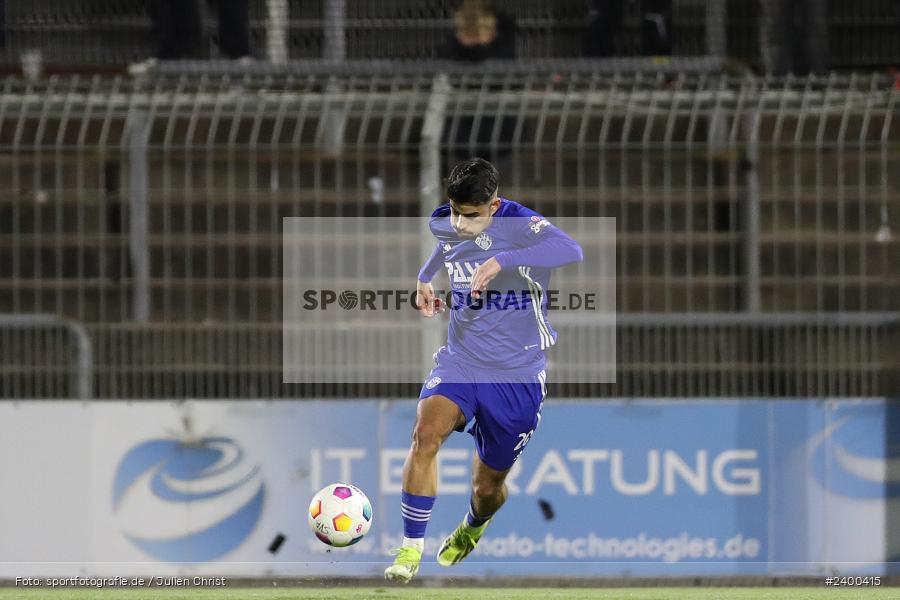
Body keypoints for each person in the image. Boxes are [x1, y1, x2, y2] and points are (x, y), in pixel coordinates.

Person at [384, 158, 584, 583]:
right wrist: (424, 279)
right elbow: (444, 244)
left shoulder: (521, 224)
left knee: (486, 487)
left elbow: (572, 249)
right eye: (454, 210)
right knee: (425, 434)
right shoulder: (448, 221)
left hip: (517, 376)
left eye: (470, 215)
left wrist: (503, 261)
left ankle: (473, 526)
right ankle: (409, 550)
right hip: (462, 359)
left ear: (494, 206)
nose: (459, 222)